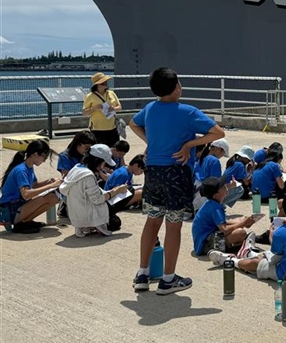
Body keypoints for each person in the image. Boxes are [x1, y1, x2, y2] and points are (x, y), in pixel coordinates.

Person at [129, 67, 224, 295]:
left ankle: (143, 274)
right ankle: (168, 278)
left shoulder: (150, 108)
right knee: (174, 225)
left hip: (154, 172)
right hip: (177, 173)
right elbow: (218, 133)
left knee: (152, 221)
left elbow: (133, 124)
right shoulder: (187, 112)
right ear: (177, 87)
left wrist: (150, 142)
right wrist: (189, 145)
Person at [210, 192, 286, 283]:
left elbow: (275, 253)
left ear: (284, 210)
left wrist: (271, 235)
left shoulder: (281, 233)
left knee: (258, 263)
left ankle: (231, 260)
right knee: (281, 252)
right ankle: (248, 252)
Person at [61, 144, 129, 237]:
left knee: (114, 221)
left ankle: (86, 226)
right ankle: (93, 224)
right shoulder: (88, 175)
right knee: (115, 221)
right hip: (88, 213)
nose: (103, 166)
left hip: (76, 215)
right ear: (98, 161)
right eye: (104, 163)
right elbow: (97, 199)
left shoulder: (77, 168)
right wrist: (116, 191)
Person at [0, 140, 61, 234]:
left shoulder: (28, 167)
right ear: (35, 154)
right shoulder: (21, 170)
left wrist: (49, 181)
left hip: (18, 207)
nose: (44, 161)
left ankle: (26, 221)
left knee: (54, 198)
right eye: (44, 157)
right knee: (47, 198)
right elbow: (26, 194)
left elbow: (34, 185)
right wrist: (50, 186)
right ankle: (20, 224)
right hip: (11, 210)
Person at [191, 177, 257, 256]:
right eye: (222, 187)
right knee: (240, 233)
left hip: (207, 237)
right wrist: (243, 223)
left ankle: (236, 245)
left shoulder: (212, 204)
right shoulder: (215, 208)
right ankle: (228, 248)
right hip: (204, 244)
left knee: (239, 223)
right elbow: (224, 229)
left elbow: (222, 222)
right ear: (216, 195)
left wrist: (242, 221)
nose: (225, 186)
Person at [82, 72, 122, 147]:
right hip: (97, 128)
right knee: (99, 151)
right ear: (97, 84)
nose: (105, 83)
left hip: (112, 127)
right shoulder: (90, 96)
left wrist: (113, 108)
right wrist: (94, 108)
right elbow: (84, 112)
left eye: (106, 82)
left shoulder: (111, 93)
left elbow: (119, 107)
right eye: (102, 82)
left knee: (114, 149)